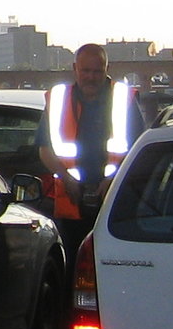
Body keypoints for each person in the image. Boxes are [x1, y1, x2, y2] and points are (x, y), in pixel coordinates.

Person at [40, 43, 143, 246]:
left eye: (97, 71)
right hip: (71, 204)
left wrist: (113, 180)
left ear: (107, 69)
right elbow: (44, 150)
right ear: (74, 68)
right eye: (85, 70)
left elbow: (139, 150)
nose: (91, 77)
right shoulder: (59, 100)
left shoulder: (123, 99)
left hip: (115, 203)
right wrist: (67, 180)